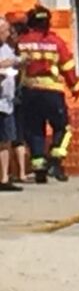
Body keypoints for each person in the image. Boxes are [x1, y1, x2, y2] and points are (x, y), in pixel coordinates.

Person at [18, 5, 79, 183]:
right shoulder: (56, 42)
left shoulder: (21, 41)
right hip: (52, 92)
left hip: (29, 92)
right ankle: (56, 160)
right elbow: (67, 67)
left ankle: (39, 168)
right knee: (63, 128)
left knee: (34, 130)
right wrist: (76, 87)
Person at [0, 19, 22, 191]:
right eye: (5, 31)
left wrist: (20, 61)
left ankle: (4, 178)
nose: (8, 34)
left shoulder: (6, 48)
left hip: (6, 103)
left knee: (5, 141)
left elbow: (14, 60)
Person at [6, 13, 28, 184]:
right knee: (15, 136)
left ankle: (18, 172)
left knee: (12, 136)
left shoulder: (13, 52)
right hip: (15, 96)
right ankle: (18, 173)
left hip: (13, 96)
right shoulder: (19, 51)